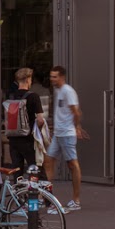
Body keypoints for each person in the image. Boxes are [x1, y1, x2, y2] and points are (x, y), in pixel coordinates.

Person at [43, 66, 86, 211]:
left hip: (67, 134)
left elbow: (76, 112)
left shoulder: (68, 91)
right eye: (51, 76)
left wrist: (77, 127)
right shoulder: (57, 90)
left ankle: (76, 200)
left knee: (72, 165)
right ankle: (46, 197)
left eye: (54, 76)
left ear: (62, 77)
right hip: (58, 133)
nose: (52, 79)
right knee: (48, 161)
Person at [3, 67, 46, 174]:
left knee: (17, 171)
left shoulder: (11, 97)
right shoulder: (33, 97)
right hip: (28, 140)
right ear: (27, 80)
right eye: (30, 79)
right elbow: (40, 120)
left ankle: (18, 190)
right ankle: (38, 190)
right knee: (36, 170)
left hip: (13, 140)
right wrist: (38, 131)